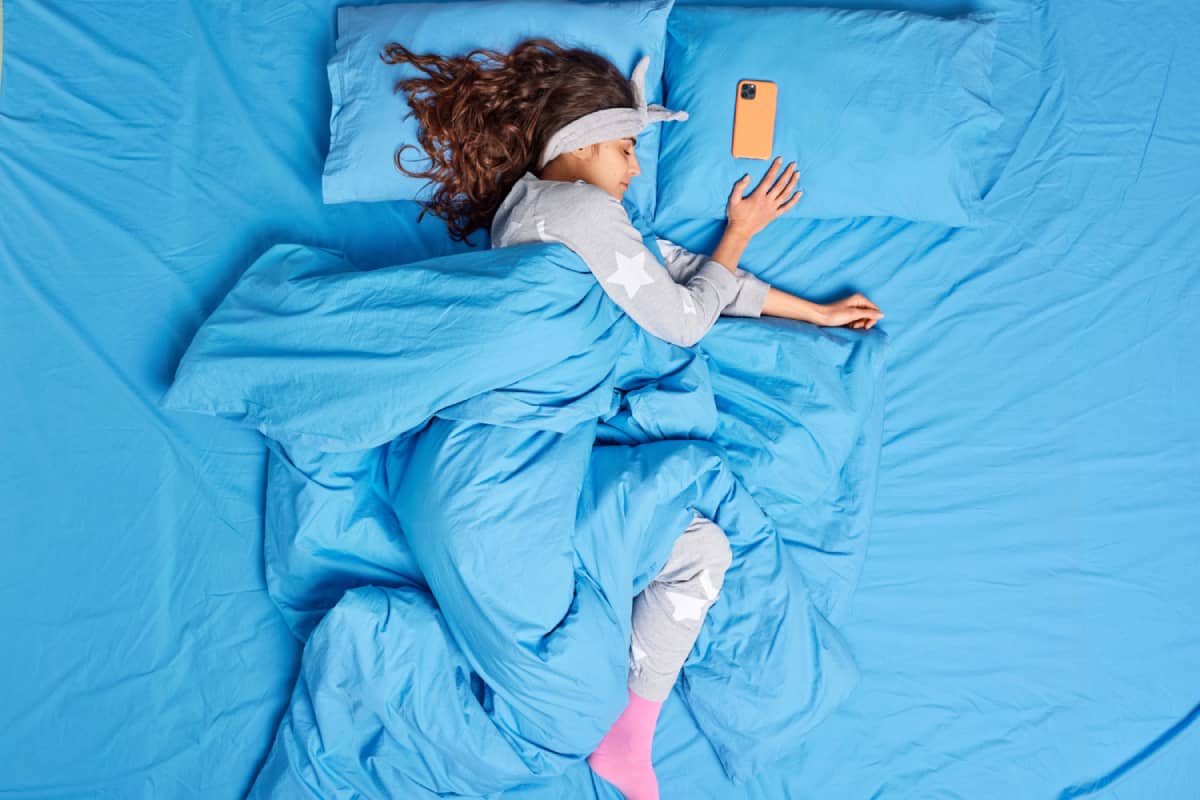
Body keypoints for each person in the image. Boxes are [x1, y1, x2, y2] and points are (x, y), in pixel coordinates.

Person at [380, 38, 883, 799]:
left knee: (701, 549)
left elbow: (676, 271)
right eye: (625, 147)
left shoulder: (535, 211)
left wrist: (811, 312)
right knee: (594, 665)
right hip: (500, 482)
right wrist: (741, 229)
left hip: (490, 470)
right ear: (579, 144)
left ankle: (624, 735)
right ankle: (622, 734)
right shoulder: (582, 211)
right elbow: (682, 320)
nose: (636, 168)